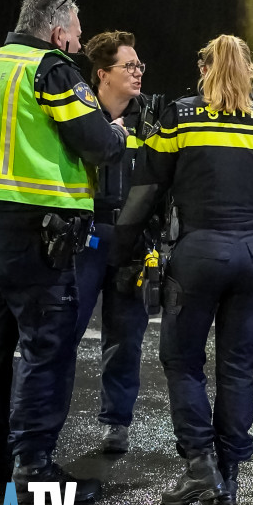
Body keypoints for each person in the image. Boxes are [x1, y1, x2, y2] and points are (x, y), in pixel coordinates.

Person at [110, 35, 253, 505]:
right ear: (250, 69)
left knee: (183, 361)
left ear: (204, 69)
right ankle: (228, 473)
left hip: (198, 254)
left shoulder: (178, 117)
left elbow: (146, 190)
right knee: (237, 367)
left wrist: (119, 250)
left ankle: (199, 466)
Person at [0, 0, 128, 503]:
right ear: (57, 29)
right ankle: (35, 468)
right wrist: (117, 129)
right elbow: (98, 144)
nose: (81, 40)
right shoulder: (51, 71)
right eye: (78, 30)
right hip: (39, 232)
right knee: (46, 348)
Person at [71, 31, 160, 455]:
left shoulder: (153, 118)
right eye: (129, 66)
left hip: (133, 244)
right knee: (61, 336)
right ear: (103, 74)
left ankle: (115, 423)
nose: (138, 71)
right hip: (83, 241)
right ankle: (43, 426)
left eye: (139, 65)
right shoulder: (77, 114)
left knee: (125, 339)